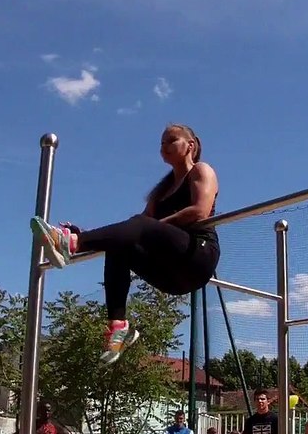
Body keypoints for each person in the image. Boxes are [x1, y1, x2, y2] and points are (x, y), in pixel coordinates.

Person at [30, 124, 221, 364]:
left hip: (197, 255)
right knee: (119, 245)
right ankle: (118, 326)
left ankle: (72, 244)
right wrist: (90, 234)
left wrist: (156, 225)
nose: (163, 147)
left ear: (190, 146)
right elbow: (130, 233)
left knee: (138, 225)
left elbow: (200, 211)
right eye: (161, 143)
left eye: (170, 141)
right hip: (171, 275)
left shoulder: (201, 171)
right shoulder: (160, 192)